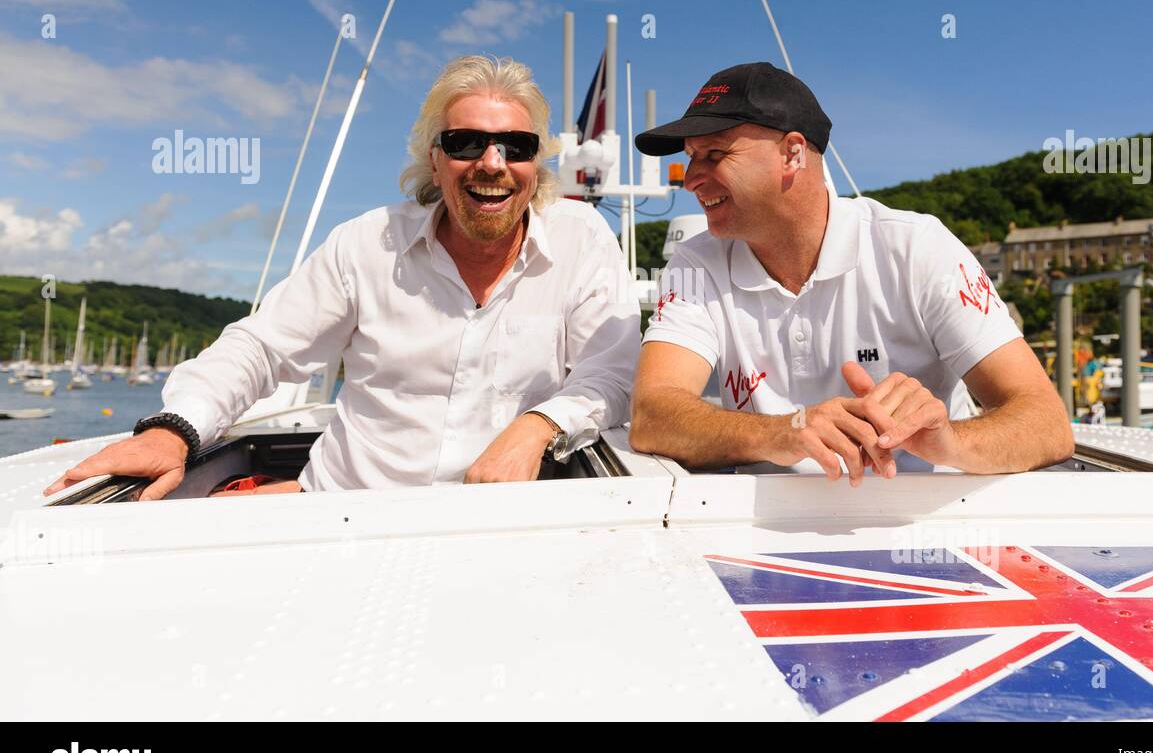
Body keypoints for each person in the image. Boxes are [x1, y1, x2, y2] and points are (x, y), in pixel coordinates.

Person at [44, 55, 641, 500]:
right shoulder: (366, 243)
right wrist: (173, 431)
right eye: (466, 143)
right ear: (434, 157)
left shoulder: (581, 238)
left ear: (536, 163)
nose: (492, 163)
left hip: (492, 521)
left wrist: (537, 426)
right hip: (344, 514)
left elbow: (612, 373)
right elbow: (262, 347)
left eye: (515, 145)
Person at [627, 62, 1073, 483]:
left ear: (793, 154)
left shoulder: (915, 247)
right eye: (691, 158)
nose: (690, 179)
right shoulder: (697, 263)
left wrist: (951, 441)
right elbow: (652, 416)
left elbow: (1046, 423)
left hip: (925, 525)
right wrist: (784, 431)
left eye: (714, 155)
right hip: (758, 532)